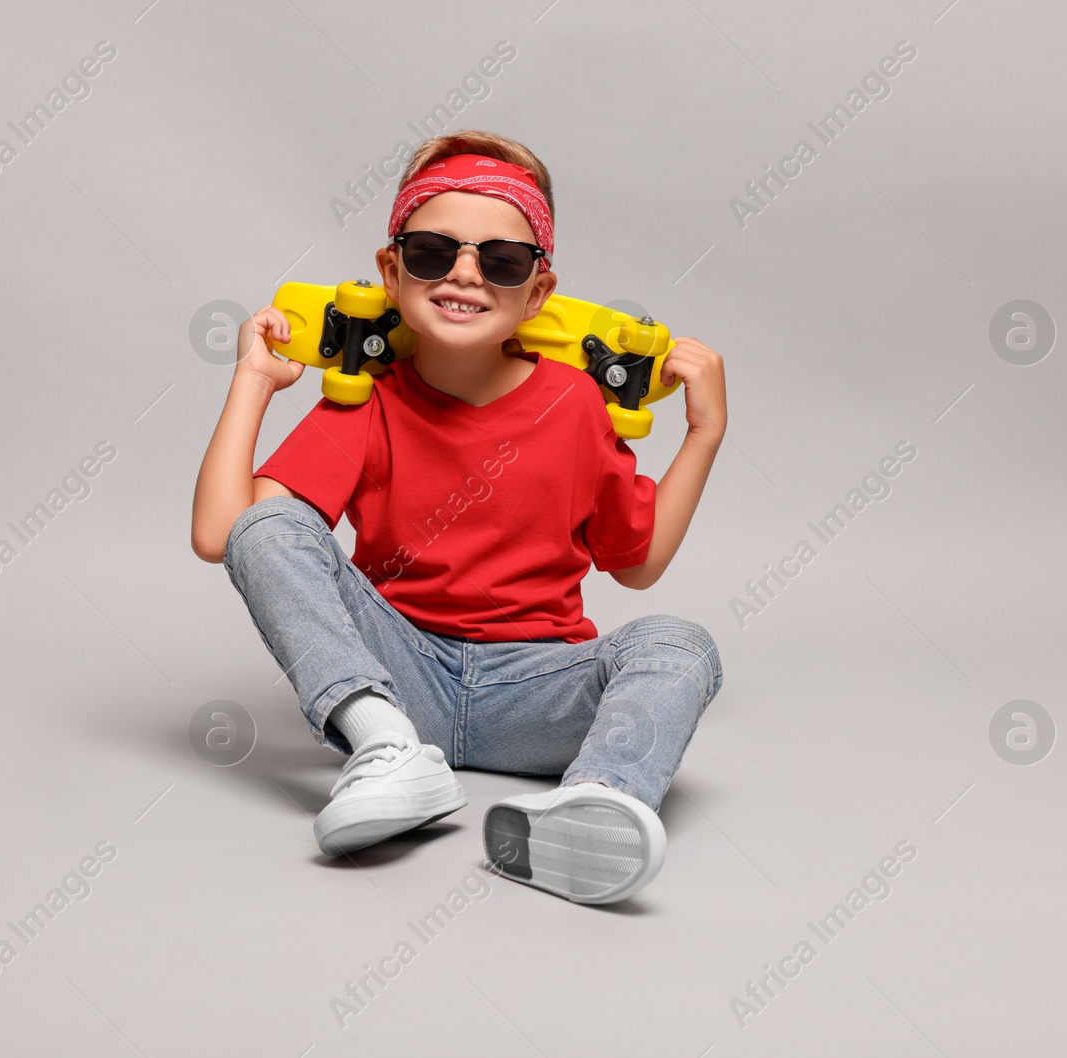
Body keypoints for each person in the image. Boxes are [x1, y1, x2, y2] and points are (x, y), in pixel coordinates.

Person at [191, 130, 727, 906]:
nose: (465, 275)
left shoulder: (577, 405)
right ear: (392, 269)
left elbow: (637, 563)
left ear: (538, 291)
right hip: (398, 674)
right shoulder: (367, 395)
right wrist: (252, 382)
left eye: (501, 261)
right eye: (434, 252)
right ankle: (384, 748)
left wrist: (704, 435)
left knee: (680, 644)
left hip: (536, 691)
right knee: (268, 525)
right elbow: (227, 533)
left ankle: (597, 803)